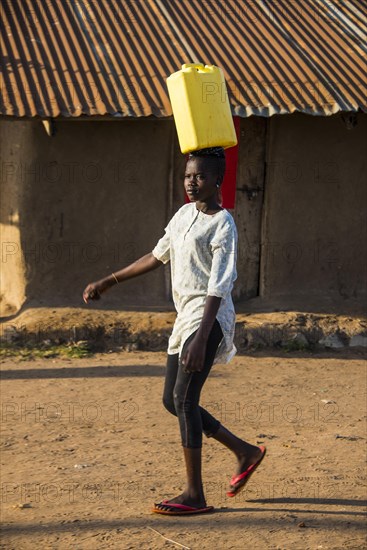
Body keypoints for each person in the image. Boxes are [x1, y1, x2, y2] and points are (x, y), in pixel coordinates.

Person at [83, 146, 266, 515]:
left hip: (209, 317)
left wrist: (202, 338)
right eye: (188, 176)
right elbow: (157, 255)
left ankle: (194, 495)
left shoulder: (223, 224)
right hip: (185, 317)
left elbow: (219, 284)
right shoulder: (183, 215)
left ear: (218, 180)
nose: (191, 182)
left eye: (199, 176)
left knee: (184, 399)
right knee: (173, 400)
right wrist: (109, 280)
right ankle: (244, 451)